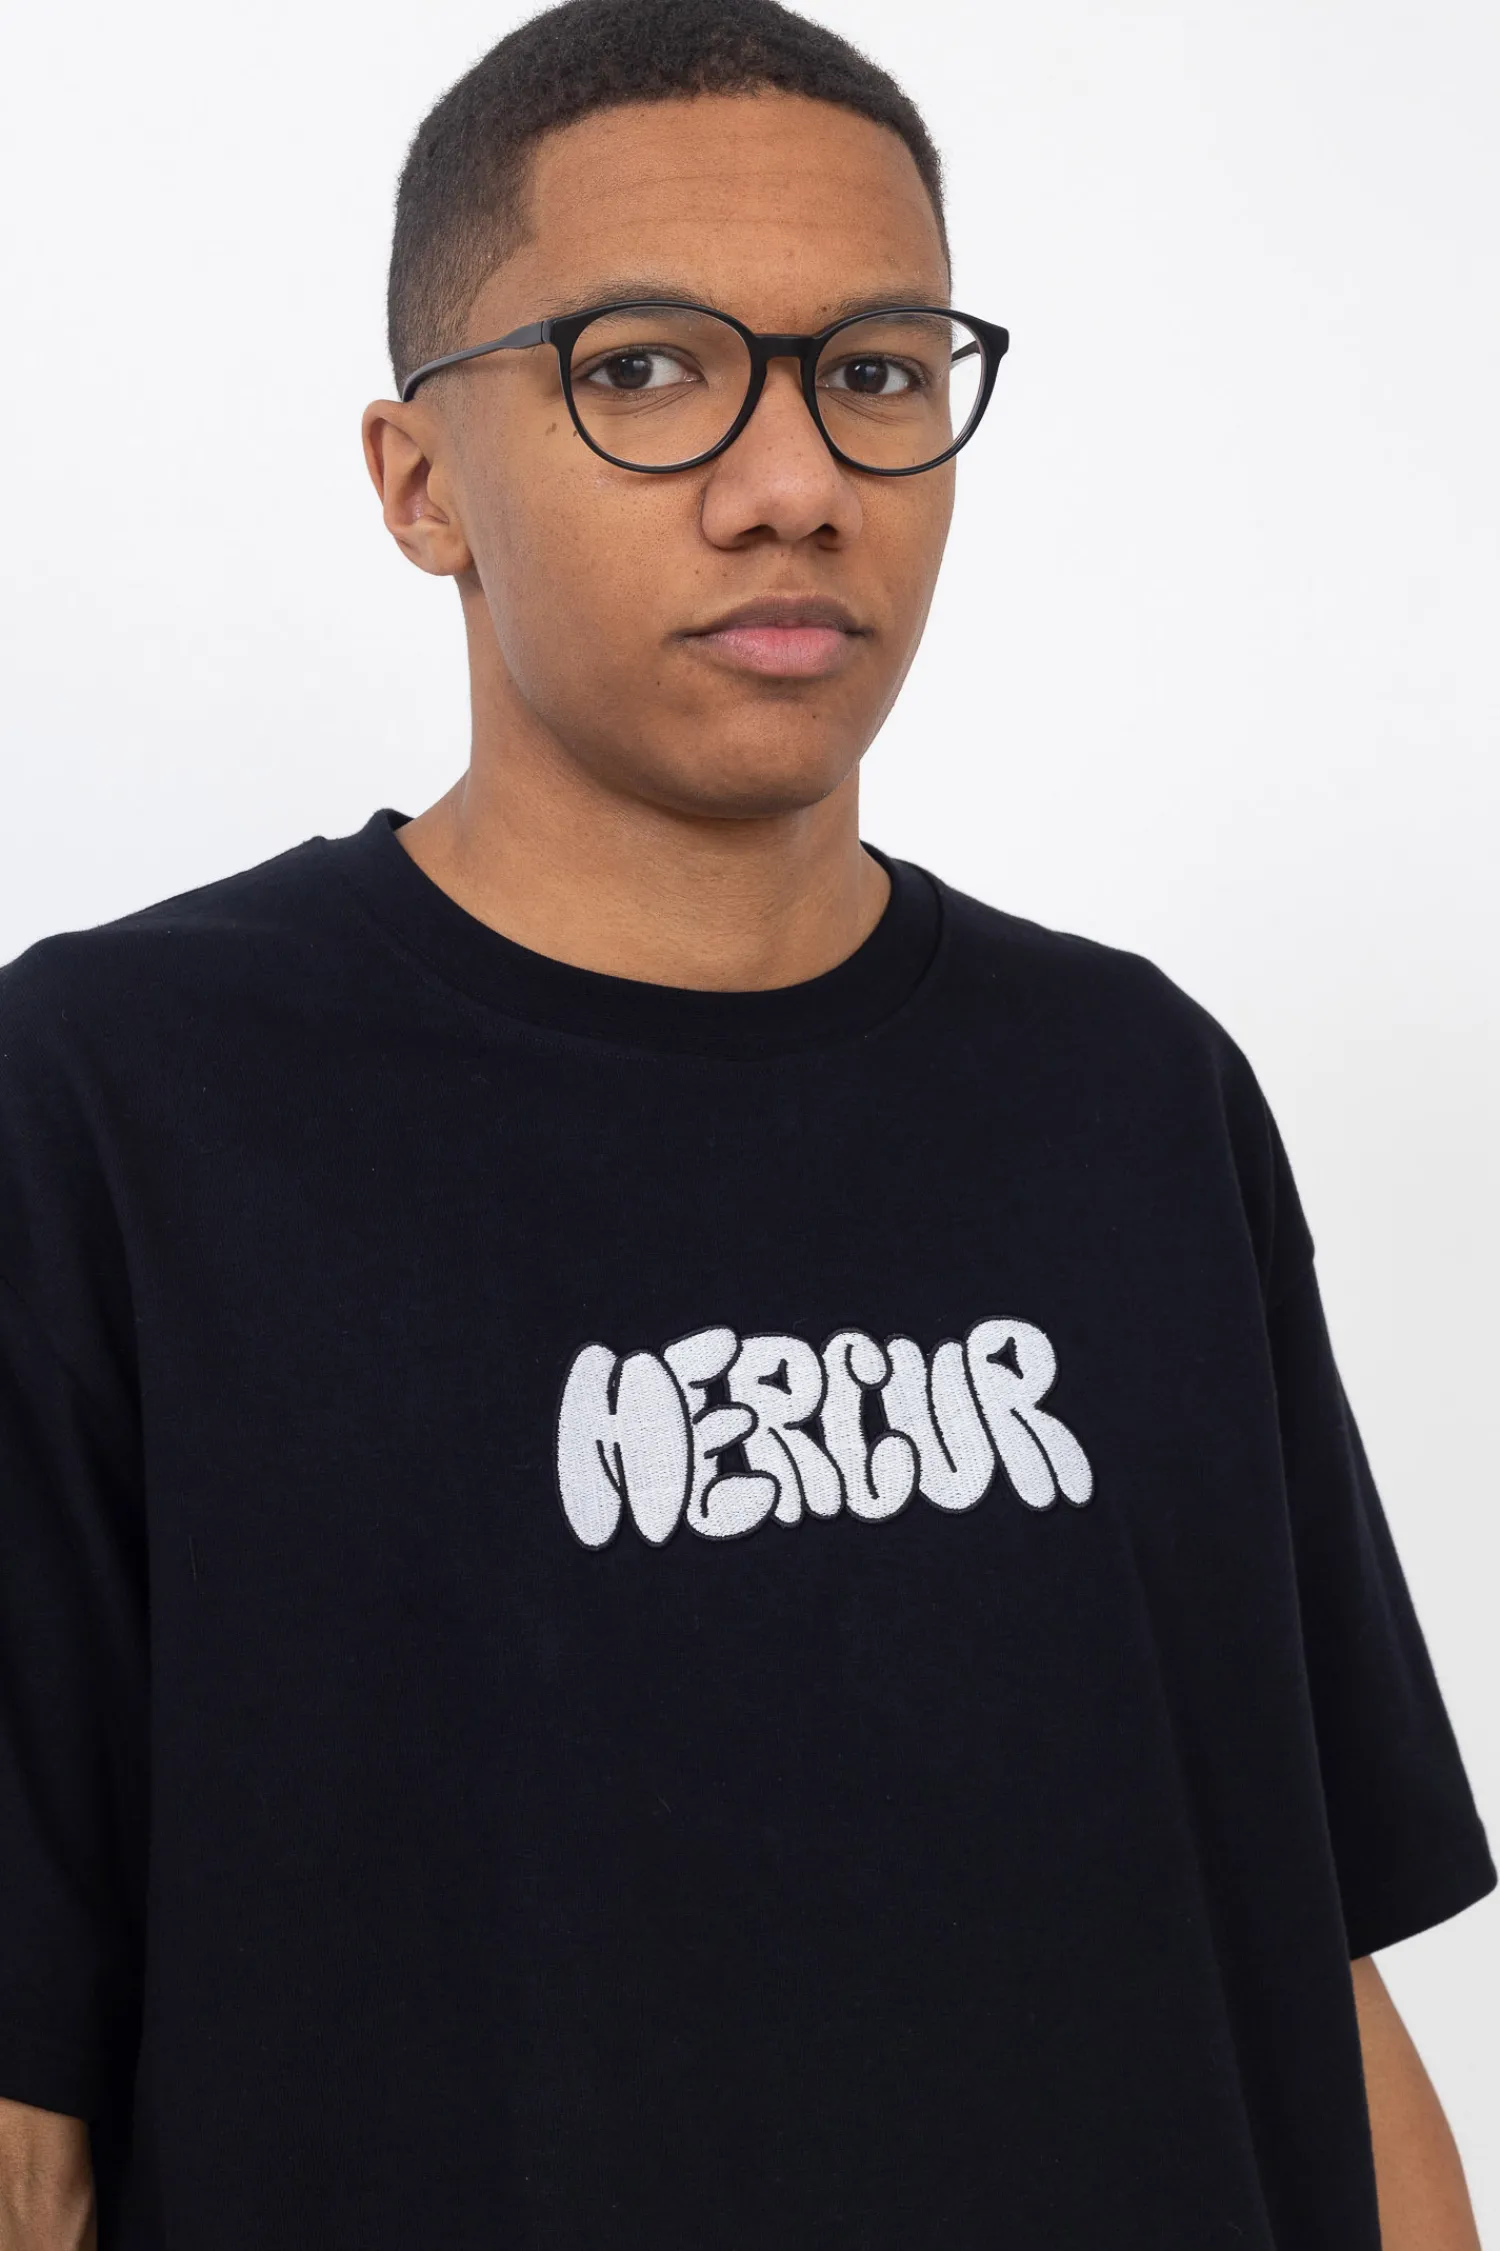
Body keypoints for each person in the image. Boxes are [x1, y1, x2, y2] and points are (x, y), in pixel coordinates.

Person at [0, 0, 1492, 2243]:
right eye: (644, 366)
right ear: (419, 481)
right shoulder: (113, 1106)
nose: (793, 481)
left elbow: (1308, 1964)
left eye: (875, 372)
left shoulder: (1137, 1094)